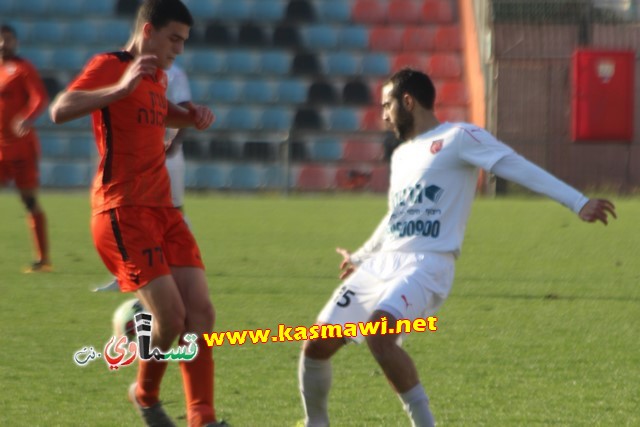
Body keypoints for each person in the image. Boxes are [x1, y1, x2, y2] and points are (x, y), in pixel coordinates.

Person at [298, 68, 617, 427]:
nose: (383, 115)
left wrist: (577, 201)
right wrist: (361, 256)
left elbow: (515, 166)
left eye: (387, 105)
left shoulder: (459, 137)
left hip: (427, 263)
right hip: (383, 262)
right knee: (316, 345)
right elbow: (397, 215)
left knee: (380, 333)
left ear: (408, 101)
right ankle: (316, 422)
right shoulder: (402, 156)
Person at [49, 1, 224, 426]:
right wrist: (120, 88)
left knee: (201, 313)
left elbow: (155, 111)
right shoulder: (111, 66)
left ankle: (202, 417)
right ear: (148, 31)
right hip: (121, 211)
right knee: (170, 320)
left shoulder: (157, 77)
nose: (179, 49)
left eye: (184, 41)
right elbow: (60, 109)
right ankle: (144, 394)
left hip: (164, 210)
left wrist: (190, 116)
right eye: (174, 39)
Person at [93, 61, 192, 293]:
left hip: (167, 154)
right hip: (138, 155)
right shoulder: (129, 68)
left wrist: (175, 143)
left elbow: (185, 109)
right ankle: (126, 274)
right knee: (132, 212)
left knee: (173, 212)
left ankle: (184, 267)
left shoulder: (175, 72)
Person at [0, 24, 51, 273]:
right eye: (0, 40)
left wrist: (26, 117)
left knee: (29, 200)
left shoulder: (23, 68)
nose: (3, 44)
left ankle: (42, 260)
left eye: (7, 40)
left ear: (15, 42)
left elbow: (40, 97)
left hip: (21, 147)